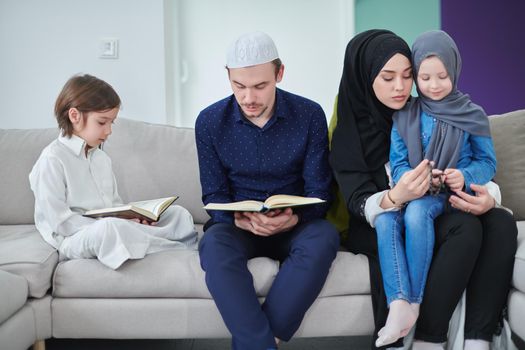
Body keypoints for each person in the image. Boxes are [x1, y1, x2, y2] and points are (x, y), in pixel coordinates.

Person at [329, 29, 517, 350]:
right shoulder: (350, 127)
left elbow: (471, 157)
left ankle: (479, 337)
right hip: (380, 216)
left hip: (436, 200)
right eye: (387, 78)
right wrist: (395, 196)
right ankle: (427, 333)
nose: (401, 87)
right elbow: (357, 198)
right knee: (462, 228)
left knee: (499, 222)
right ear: (365, 77)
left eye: (407, 76)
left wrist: (489, 196)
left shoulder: (434, 108)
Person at [195, 31, 340, 350]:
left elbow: (320, 191)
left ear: (280, 74)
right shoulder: (208, 122)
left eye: (260, 86)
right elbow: (214, 196)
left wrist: (293, 220)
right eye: (239, 86)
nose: (249, 98)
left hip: (295, 225)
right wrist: (239, 220)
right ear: (229, 78)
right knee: (213, 246)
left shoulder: (309, 114)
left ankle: (258, 343)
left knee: (325, 237)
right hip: (239, 227)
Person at [373, 29, 497, 347]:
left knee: (415, 213)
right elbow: (398, 163)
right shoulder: (405, 116)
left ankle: (412, 302)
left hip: (450, 196)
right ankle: (401, 304)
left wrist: (465, 176)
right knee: (394, 217)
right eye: (425, 77)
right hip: (417, 192)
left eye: (442, 76)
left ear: (454, 70)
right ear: (416, 76)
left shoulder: (472, 114)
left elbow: (487, 163)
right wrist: (411, 179)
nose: (433, 85)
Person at [29, 74, 197, 270]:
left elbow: (113, 205)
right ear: (74, 116)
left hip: (111, 226)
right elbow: (61, 223)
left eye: (112, 123)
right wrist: (117, 224)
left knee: (178, 214)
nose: (109, 131)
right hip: (73, 238)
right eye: (102, 122)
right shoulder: (52, 159)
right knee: (110, 229)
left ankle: (152, 243)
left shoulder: (101, 158)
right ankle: (175, 247)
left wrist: (131, 218)